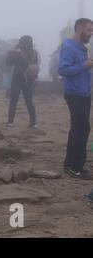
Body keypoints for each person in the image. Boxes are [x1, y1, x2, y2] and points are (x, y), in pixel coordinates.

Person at [58, 18, 93, 180]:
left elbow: (83, 68)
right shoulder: (69, 46)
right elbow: (63, 69)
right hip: (75, 94)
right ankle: (76, 167)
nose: (91, 34)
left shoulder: (81, 47)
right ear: (79, 28)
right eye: (88, 30)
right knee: (82, 129)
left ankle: (69, 163)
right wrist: (85, 66)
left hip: (84, 93)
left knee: (77, 128)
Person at [6, 36, 39, 128]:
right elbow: (35, 64)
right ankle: (33, 122)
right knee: (29, 101)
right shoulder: (34, 53)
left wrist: (13, 51)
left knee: (13, 100)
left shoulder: (17, 52)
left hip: (17, 78)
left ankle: (10, 122)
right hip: (29, 79)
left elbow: (8, 62)